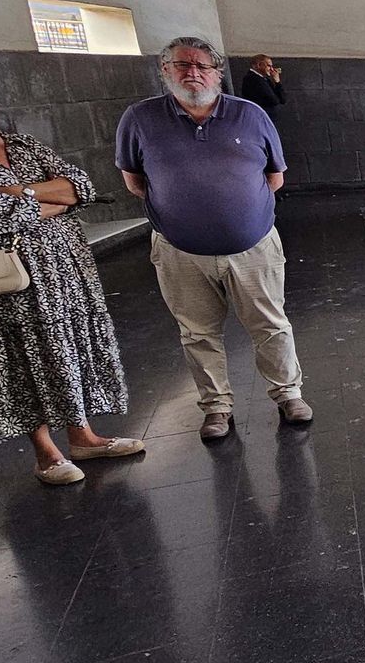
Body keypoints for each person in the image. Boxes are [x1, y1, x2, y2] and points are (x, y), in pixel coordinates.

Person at [0, 62, 143, 485]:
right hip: (0, 279)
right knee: (18, 356)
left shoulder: (23, 144)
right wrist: (52, 199)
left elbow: (81, 187)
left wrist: (21, 192)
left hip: (60, 269)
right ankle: (45, 453)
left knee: (65, 346)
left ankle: (84, 438)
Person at [116, 36, 312, 440]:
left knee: (271, 325)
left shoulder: (250, 115)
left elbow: (275, 177)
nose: (193, 73)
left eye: (202, 66)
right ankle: (217, 408)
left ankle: (288, 395)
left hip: (253, 247)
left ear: (217, 73)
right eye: (182, 65)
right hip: (180, 252)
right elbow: (135, 181)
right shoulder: (140, 118)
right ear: (165, 71)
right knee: (197, 333)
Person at [238, 54, 286, 122]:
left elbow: (283, 99)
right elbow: (274, 100)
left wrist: (277, 82)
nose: (271, 69)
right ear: (259, 65)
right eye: (268, 66)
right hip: (259, 119)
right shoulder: (253, 79)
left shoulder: (265, 79)